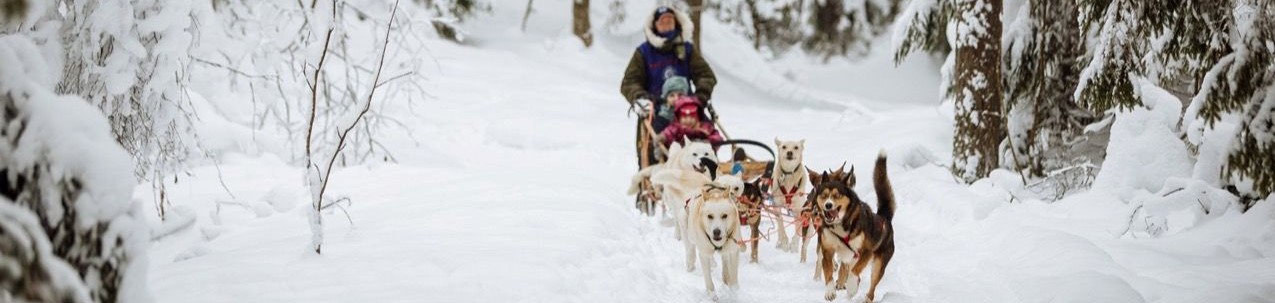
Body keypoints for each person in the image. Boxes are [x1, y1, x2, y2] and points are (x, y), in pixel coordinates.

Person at [620, 5, 717, 134]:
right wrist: (641, 98)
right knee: (656, 141)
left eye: (670, 22)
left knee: (707, 132)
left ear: (676, 23)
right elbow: (629, 82)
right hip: (656, 110)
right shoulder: (643, 52)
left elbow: (705, 75)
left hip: (688, 107)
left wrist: (700, 97)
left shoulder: (687, 49)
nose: (666, 26)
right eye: (662, 22)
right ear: (655, 26)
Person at [659, 96, 723, 148]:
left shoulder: (705, 127)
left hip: (704, 156)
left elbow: (716, 137)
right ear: (679, 118)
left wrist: (709, 141)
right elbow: (667, 133)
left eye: (692, 117)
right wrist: (663, 137)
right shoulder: (676, 128)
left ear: (697, 117)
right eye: (684, 117)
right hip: (680, 158)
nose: (688, 120)